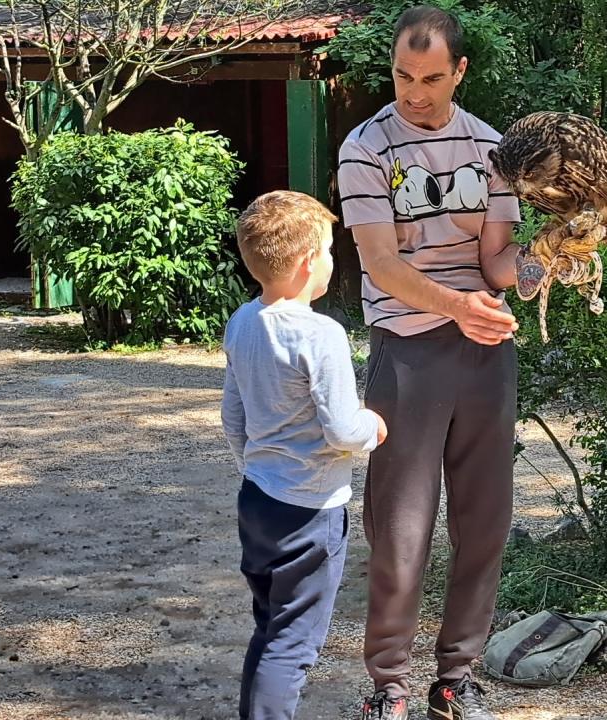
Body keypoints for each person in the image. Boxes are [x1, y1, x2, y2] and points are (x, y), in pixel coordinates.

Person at [337, 6, 524, 720]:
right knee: (401, 527)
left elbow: (498, 267)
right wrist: (457, 306)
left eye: (432, 78)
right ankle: (387, 686)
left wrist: (547, 262)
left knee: (484, 522)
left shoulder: (494, 149)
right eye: (403, 76)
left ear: (460, 72)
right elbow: (382, 266)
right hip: (407, 350)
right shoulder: (366, 147)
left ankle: (457, 680)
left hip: (486, 352)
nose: (414, 93)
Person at [221, 190, 388, 720]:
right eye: (331, 252)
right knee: (294, 644)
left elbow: (234, 418)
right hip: (311, 512)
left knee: (271, 626)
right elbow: (342, 427)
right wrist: (375, 430)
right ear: (307, 261)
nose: (333, 262)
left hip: (259, 502)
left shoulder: (242, 321)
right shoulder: (322, 335)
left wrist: (254, 470)